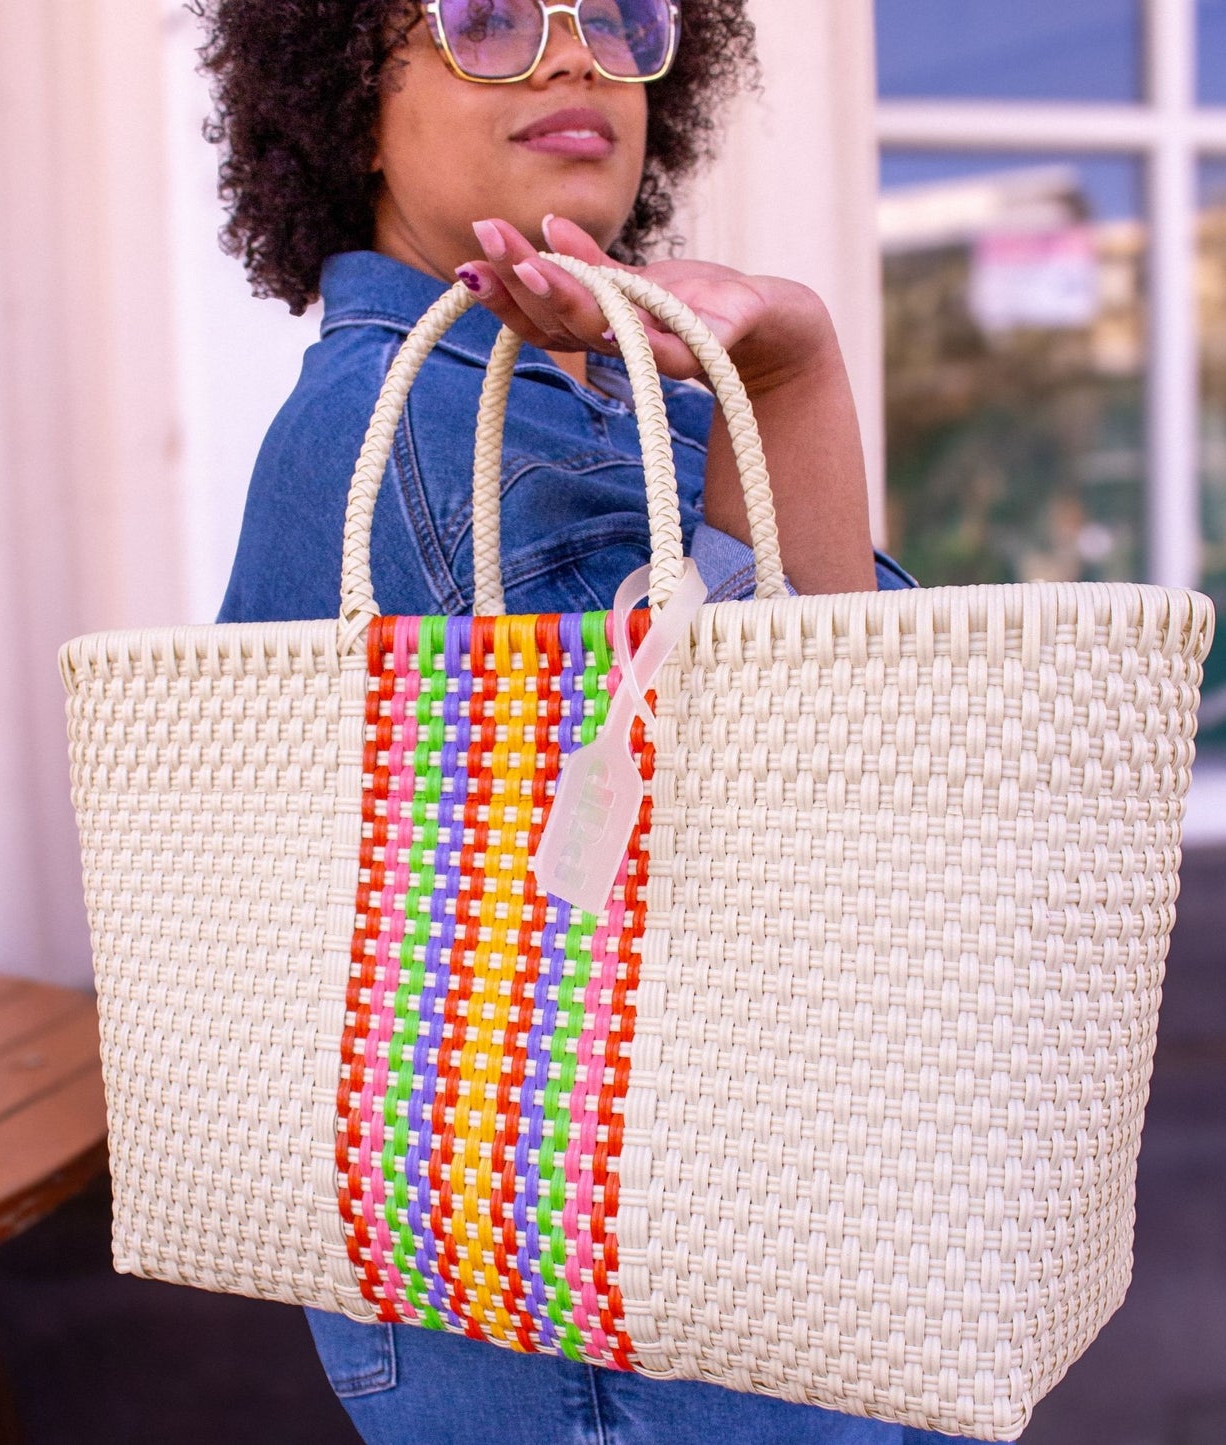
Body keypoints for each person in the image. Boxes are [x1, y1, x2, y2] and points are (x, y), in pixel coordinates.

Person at [199, 3, 957, 1442]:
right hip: (610, 1316)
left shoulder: (612, 395)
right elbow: (809, 777)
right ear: (348, 93)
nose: (574, 58)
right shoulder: (412, 420)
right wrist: (791, 366)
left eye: (617, 17)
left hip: (650, 1270)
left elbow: (835, 711)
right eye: (485, 17)